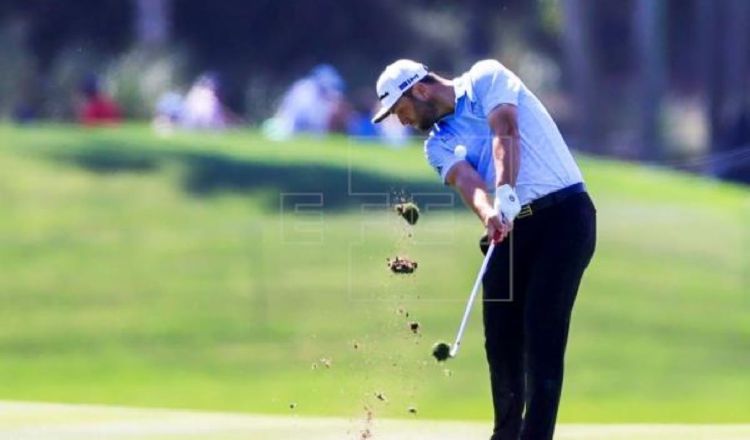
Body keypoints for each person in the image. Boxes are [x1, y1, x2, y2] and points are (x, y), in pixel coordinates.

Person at [372, 59, 596, 440]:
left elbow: (504, 129)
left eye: (400, 109)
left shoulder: (486, 78)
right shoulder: (437, 144)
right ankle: (505, 434)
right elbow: (468, 180)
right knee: (501, 337)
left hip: (564, 217)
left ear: (421, 90)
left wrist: (506, 188)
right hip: (512, 228)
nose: (401, 120)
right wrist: (490, 212)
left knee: (542, 330)